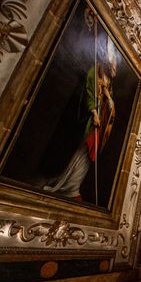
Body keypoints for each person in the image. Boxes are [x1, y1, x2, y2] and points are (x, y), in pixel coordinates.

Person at [43, 37, 117, 201]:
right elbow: (89, 95)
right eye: (112, 64)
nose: (114, 67)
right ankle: (66, 186)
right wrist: (95, 114)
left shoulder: (108, 82)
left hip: (98, 125)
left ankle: (71, 186)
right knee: (81, 153)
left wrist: (107, 97)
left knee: (86, 156)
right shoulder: (94, 72)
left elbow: (110, 105)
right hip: (88, 121)